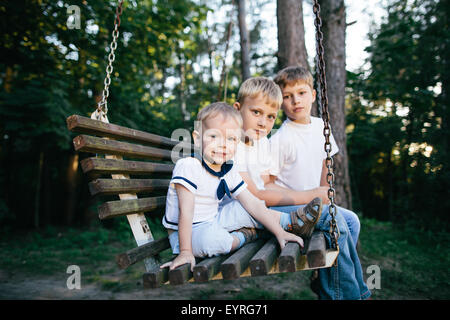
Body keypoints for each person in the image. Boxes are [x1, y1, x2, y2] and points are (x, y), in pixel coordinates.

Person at [226, 76, 370, 300]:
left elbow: (267, 187)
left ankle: (348, 291)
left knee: (350, 220)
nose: (263, 122)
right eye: (256, 113)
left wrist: (308, 198)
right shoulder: (232, 145)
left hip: (262, 210)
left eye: (270, 116)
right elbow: (256, 196)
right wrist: (311, 196)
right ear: (237, 109)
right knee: (330, 218)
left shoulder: (262, 143)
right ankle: (346, 297)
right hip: (247, 215)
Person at [160, 102, 321, 272]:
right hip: (185, 235)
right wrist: (185, 252)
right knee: (214, 241)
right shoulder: (189, 166)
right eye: (214, 136)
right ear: (197, 138)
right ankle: (245, 235)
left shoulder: (227, 169)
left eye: (231, 139)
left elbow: (251, 202)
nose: (223, 144)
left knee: (246, 207)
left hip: (212, 220)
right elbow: (186, 211)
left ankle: (291, 222)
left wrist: (279, 232)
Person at [271, 66, 361, 246]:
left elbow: (325, 167)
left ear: (312, 95)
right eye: (287, 96)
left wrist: (324, 195)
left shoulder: (322, 127)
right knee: (342, 221)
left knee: (351, 221)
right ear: (281, 103)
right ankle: (336, 274)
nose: (296, 100)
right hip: (286, 209)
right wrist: (310, 196)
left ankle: (325, 272)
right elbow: (268, 186)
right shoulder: (279, 139)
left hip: (314, 205)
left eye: (301, 93)